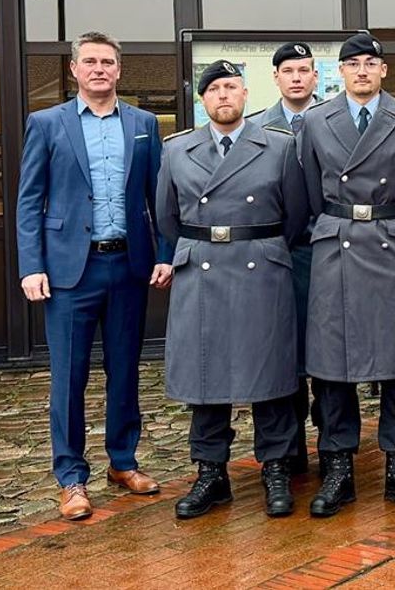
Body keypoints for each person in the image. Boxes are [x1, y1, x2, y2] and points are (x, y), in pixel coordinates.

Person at [16, 31, 173, 520]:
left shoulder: (144, 124)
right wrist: (31, 265)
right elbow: (28, 201)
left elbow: (159, 198)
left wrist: (164, 253)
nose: (99, 68)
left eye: (108, 61)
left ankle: (122, 462)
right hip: (68, 271)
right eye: (90, 61)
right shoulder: (46, 123)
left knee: (124, 370)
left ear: (119, 70)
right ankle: (71, 476)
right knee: (69, 377)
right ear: (74, 70)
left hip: (127, 266)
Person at [157, 59, 310, 519]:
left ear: (246, 95)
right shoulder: (177, 150)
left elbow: (296, 215)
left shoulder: (279, 147)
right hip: (201, 269)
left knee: (271, 377)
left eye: (232, 87)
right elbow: (167, 216)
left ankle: (276, 469)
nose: (224, 95)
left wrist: (261, 249)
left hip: (260, 266)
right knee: (205, 377)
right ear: (203, 100)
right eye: (215, 89)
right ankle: (211, 473)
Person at [300, 33, 395, 516]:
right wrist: (335, 224)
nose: (361, 71)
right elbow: (306, 198)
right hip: (335, 243)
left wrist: (394, 232)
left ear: (383, 70)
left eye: (370, 63)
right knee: (333, 369)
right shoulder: (314, 120)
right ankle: (339, 469)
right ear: (340, 72)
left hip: (389, 242)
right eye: (352, 63)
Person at [247, 41, 321, 475]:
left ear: (316, 76)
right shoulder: (257, 127)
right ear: (275, 78)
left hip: (322, 253)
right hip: (273, 255)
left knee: (327, 358)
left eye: (304, 70)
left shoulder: (332, 121)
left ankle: (333, 448)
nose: (296, 77)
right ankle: (283, 452)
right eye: (288, 70)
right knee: (276, 359)